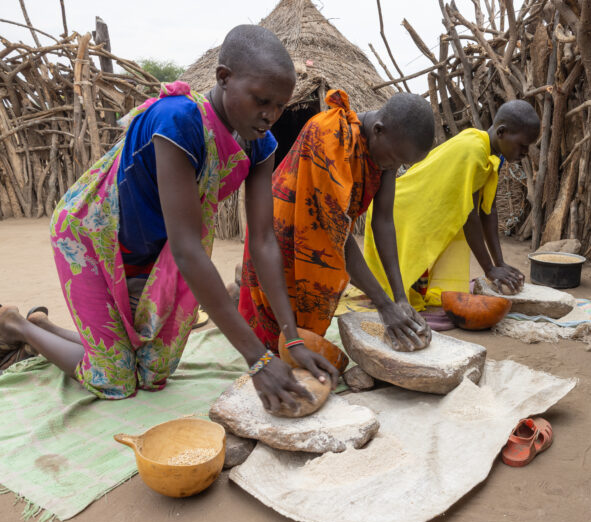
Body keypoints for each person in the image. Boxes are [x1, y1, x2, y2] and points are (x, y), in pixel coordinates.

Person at [0, 25, 337, 413]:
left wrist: (290, 338)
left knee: (153, 374)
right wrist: (257, 359)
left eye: (280, 106)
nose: (271, 116)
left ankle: (48, 329)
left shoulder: (261, 145)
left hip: (156, 251)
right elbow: (188, 248)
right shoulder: (177, 120)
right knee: (114, 382)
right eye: (262, 100)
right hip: (92, 236)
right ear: (223, 77)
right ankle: (17, 325)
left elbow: (262, 241)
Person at [238, 89, 435, 352]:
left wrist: (400, 297)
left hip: (324, 238)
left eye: (400, 165)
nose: (393, 167)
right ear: (378, 130)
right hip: (281, 233)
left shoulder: (387, 154)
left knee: (306, 332)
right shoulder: (328, 137)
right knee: (277, 341)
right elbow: (336, 234)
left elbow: (384, 221)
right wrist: (384, 305)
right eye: (395, 160)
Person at [362, 100, 540, 325]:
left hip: (420, 209)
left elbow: (488, 210)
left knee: (420, 284)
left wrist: (500, 263)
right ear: (502, 132)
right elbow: (469, 216)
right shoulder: (474, 150)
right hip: (405, 210)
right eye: (523, 146)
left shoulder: (494, 153)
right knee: (406, 284)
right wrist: (489, 269)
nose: (525, 153)